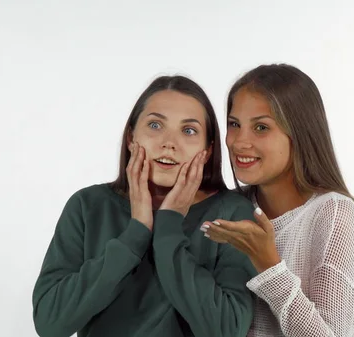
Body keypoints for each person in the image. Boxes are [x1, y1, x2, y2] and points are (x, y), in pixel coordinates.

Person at [32, 75, 257, 337]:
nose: (169, 143)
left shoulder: (231, 213)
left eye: (189, 131)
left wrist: (169, 226)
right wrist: (136, 231)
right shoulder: (88, 206)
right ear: (131, 137)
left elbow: (227, 329)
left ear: (207, 151)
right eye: (155, 125)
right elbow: (50, 323)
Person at [202, 64, 354, 337]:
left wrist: (269, 266)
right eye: (234, 124)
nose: (239, 142)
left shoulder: (333, 215)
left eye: (261, 127)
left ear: (299, 134)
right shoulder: (228, 209)